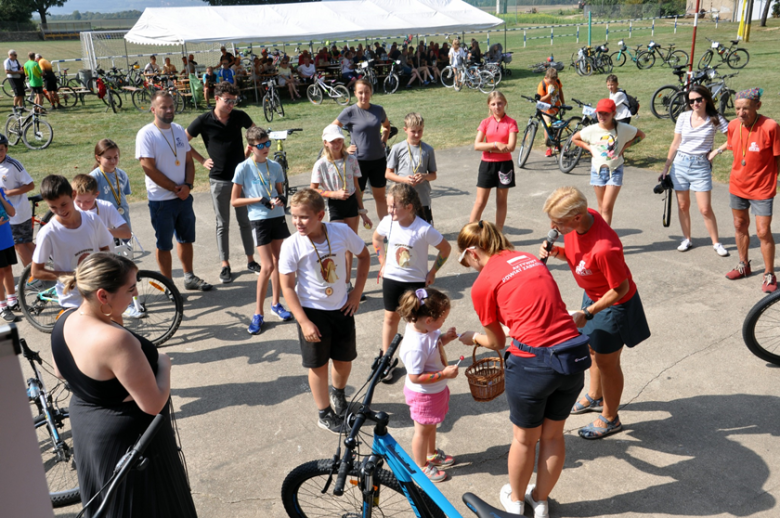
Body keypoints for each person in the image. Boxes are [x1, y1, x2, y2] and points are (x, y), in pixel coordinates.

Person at [456, 220, 588, 517]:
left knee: (524, 439)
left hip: (533, 365)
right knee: (553, 436)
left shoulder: (482, 284)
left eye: (466, 261)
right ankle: (540, 501)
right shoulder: (529, 259)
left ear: (473, 252)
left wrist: (472, 337)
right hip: (571, 356)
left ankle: (515, 502)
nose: (470, 268)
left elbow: (496, 340)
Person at [51, 253, 198, 518]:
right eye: (130, 289)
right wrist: (164, 365)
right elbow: (153, 404)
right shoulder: (115, 340)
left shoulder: (66, 320)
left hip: (88, 429)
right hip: (130, 441)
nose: (135, 295)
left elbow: (61, 371)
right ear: (103, 295)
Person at [540, 186, 650, 441]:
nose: (553, 227)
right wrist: (556, 252)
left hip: (612, 304)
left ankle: (611, 418)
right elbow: (578, 256)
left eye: (558, 222)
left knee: (607, 363)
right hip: (592, 295)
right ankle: (595, 395)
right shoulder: (581, 220)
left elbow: (620, 289)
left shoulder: (605, 248)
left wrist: (588, 313)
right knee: (592, 351)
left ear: (577, 217)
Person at [279, 189, 370, 433]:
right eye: (294, 216)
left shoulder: (340, 232)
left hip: (342, 307)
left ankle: (338, 395)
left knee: (343, 359)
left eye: (304, 217)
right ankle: (324, 412)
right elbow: (287, 287)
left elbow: (364, 256)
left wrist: (356, 292)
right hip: (312, 313)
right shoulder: (291, 245)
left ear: (320, 215)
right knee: (318, 365)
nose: (297, 222)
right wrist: (304, 322)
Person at [373, 184, 451, 381]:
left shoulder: (424, 229)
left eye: (394, 206)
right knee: (390, 319)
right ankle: (387, 359)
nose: (389, 211)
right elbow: (376, 238)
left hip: (415, 282)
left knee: (416, 322)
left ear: (409, 207)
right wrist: (382, 262)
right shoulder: (387, 222)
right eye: (388, 206)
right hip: (392, 279)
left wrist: (433, 271)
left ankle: (422, 356)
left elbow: (445, 249)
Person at [135, 91, 212, 291]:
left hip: (183, 197)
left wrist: (188, 185)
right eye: (164, 107)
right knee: (164, 244)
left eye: (171, 106)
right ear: (153, 109)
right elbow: (148, 168)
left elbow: (188, 161)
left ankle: (189, 277)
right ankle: (168, 285)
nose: (169, 110)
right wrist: (174, 188)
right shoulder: (146, 134)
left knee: (186, 239)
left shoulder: (178, 130)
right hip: (161, 199)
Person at [186, 82, 259, 284]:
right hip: (218, 179)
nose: (231, 105)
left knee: (245, 220)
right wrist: (201, 160)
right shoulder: (203, 120)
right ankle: (225, 264)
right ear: (217, 98)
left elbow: (256, 134)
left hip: (240, 179)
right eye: (228, 101)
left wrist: (247, 153)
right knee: (222, 223)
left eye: (234, 101)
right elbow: (183, 140)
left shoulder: (239, 116)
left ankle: (251, 260)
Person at [231, 127, 293, 334]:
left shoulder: (274, 166)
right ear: (251, 147)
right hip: (259, 220)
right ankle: (258, 313)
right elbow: (234, 201)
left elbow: (280, 192)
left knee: (278, 262)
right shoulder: (243, 168)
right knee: (266, 266)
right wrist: (258, 200)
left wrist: (281, 199)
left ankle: (276, 304)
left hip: (277, 218)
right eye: (261, 146)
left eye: (267, 144)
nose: (266, 148)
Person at [721, 88, 780, 292]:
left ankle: (769, 273)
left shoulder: (771, 126)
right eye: (737, 109)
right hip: (737, 185)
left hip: (763, 188)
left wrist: (775, 179)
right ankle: (744, 265)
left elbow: (777, 157)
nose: (740, 113)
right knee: (739, 225)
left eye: (745, 108)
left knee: (763, 232)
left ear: (758, 106)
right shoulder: (733, 126)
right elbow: (736, 151)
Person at [660, 85, 729, 256]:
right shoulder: (683, 117)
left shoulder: (715, 118)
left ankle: (716, 243)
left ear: (706, 99)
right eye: (691, 101)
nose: (695, 103)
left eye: (698, 99)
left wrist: (717, 151)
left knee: (705, 208)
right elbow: (675, 143)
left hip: (701, 166)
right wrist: (666, 166)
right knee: (683, 205)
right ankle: (687, 239)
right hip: (680, 165)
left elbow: (734, 138)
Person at [398, 288, 458, 483]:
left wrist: (444, 339)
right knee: (422, 431)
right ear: (429, 321)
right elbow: (415, 376)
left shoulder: (425, 328)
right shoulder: (414, 346)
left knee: (432, 424)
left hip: (435, 391)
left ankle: (431, 454)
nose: (443, 324)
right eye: (442, 320)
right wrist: (443, 374)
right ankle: (421, 465)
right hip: (423, 395)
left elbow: (433, 344)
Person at [31, 175, 113, 309]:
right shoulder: (48, 233)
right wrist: (74, 276)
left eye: (64, 204)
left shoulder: (92, 219)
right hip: (72, 301)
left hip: (99, 295)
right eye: (53, 207)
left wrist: (102, 273)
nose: (60, 211)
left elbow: (106, 249)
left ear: (73, 195)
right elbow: (37, 272)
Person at [311, 124, 372, 286]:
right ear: (325, 143)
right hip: (334, 204)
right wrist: (333, 194)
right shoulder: (321, 164)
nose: (337, 144)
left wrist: (362, 212)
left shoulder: (351, 160)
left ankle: (346, 282)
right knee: (338, 242)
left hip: (351, 203)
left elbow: (357, 187)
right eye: (333, 142)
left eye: (339, 140)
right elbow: (313, 190)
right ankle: (337, 279)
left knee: (350, 243)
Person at [570, 98, 645, 226]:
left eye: (606, 113)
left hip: (615, 171)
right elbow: (575, 138)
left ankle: (605, 237)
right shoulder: (592, 130)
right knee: (601, 208)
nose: (602, 116)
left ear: (613, 114)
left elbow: (641, 135)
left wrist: (625, 147)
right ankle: (603, 235)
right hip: (597, 171)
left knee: (606, 208)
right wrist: (590, 148)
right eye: (600, 113)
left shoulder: (623, 128)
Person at [333, 79, 392, 220]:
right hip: (358, 162)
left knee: (380, 197)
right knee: (358, 199)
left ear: (371, 93)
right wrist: (344, 147)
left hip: (378, 160)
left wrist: (383, 141)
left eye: (366, 92)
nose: (363, 96)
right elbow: (332, 129)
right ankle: (354, 236)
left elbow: (387, 126)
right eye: (360, 93)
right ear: (355, 93)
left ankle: (386, 232)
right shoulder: (349, 112)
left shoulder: (378, 110)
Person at [470, 91, 518, 232]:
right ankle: (470, 234)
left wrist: (488, 148)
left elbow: (511, 147)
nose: (497, 107)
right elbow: (477, 145)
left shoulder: (511, 123)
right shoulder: (485, 123)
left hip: (504, 166)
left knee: (501, 202)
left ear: (505, 103)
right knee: (480, 202)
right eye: (493, 104)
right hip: (487, 165)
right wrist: (495, 145)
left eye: (500, 103)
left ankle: (498, 233)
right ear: (489, 106)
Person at [386, 112, 438, 224]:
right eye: (413, 131)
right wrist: (404, 180)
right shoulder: (397, 148)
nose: (416, 134)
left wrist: (425, 176)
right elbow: (388, 173)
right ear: (405, 129)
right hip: (402, 198)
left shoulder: (428, 150)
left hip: (422, 198)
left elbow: (433, 175)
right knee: (403, 228)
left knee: (425, 230)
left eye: (420, 131)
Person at [0, 133, 35, 268]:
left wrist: (7, 193)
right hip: (6, 213)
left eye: (1, 149)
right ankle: (43, 267)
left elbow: (30, 185)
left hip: (17, 213)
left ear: (7, 149)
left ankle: (33, 279)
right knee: (26, 243)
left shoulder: (13, 165)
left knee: (19, 245)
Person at [72, 174, 131, 242]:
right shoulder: (70, 209)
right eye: (78, 201)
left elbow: (127, 233)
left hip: (104, 251)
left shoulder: (106, 207)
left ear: (96, 195)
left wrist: (104, 231)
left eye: (88, 201)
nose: (82, 205)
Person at [89, 139, 133, 229]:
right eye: (108, 158)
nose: (113, 161)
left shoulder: (122, 175)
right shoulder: (93, 178)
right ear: (98, 158)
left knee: (126, 242)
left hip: (123, 221)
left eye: (116, 157)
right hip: (105, 224)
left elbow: (124, 195)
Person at [536, 67, 564, 157]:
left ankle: (557, 144)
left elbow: (560, 91)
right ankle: (548, 148)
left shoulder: (557, 81)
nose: (552, 82)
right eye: (550, 80)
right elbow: (540, 100)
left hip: (556, 108)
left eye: (554, 80)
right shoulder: (542, 84)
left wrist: (563, 103)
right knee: (547, 128)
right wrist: (549, 95)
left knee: (558, 126)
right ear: (546, 77)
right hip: (546, 110)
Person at [0, 181, 18, 322]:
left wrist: (1, 196)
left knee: (8, 269)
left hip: (6, 238)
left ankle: (12, 300)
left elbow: (12, 212)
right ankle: (2, 306)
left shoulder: (1, 191)